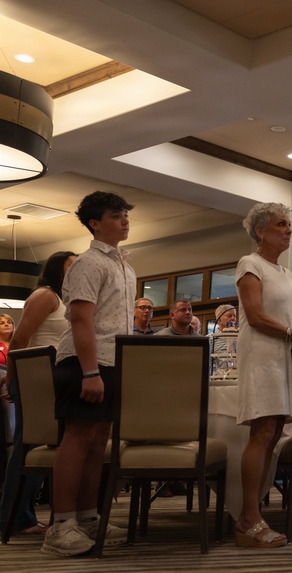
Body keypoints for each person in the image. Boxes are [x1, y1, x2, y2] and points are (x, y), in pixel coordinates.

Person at [43, 191, 135, 557]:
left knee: (98, 442)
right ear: (95, 224)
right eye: (116, 216)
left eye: (125, 215)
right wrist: (90, 371)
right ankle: (60, 525)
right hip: (84, 363)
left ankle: (87, 517)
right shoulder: (88, 262)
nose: (124, 221)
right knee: (78, 438)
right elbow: (81, 319)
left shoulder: (124, 265)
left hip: (111, 361)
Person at [233, 202, 292, 548]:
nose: (288, 230)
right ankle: (248, 519)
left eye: (289, 225)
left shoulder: (285, 272)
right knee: (262, 433)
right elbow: (255, 316)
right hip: (261, 355)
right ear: (260, 231)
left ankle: (253, 514)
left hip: (282, 356)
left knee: (273, 434)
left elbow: (289, 319)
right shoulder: (250, 263)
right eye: (280, 224)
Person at [1, 251, 76, 539]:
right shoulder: (46, 295)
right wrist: (12, 376)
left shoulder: (65, 299)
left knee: (39, 449)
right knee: (28, 447)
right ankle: (14, 518)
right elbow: (20, 338)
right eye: (71, 265)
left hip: (50, 379)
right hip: (35, 378)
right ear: (57, 269)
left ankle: (21, 515)